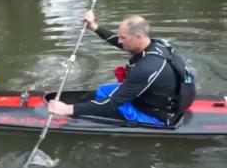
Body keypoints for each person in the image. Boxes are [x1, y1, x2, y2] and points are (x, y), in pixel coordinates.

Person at [48, 11, 196, 126]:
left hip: (156, 116)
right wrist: (94, 26)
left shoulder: (146, 68)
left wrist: (67, 110)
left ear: (138, 37)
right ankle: (73, 106)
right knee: (99, 92)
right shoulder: (156, 43)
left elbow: (111, 104)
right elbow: (120, 42)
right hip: (154, 98)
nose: (119, 41)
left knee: (98, 110)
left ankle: (66, 112)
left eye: (123, 37)